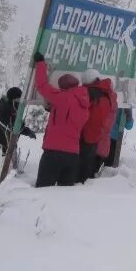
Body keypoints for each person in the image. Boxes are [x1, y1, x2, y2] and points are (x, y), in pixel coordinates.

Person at [32, 53, 90, 187]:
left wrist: (40, 63)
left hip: (53, 152)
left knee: (43, 189)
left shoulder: (61, 97)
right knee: (64, 196)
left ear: (63, 87)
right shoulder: (85, 105)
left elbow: (41, 85)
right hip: (73, 154)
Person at [78, 69, 112, 183]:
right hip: (96, 137)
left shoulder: (88, 93)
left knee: (78, 170)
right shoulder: (107, 94)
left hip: (82, 136)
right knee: (87, 170)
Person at [0, 87, 35, 156]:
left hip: (11, 146)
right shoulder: (3, 111)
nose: (19, 103)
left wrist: (27, 131)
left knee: (14, 165)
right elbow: (12, 127)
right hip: (3, 148)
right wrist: (24, 130)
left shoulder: (13, 110)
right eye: (18, 100)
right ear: (12, 100)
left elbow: (19, 125)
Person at [93, 77, 119, 176]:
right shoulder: (116, 102)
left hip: (93, 139)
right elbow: (129, 125)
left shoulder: (96, 98)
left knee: (89, 170)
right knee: (106, 168)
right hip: (108, 141)